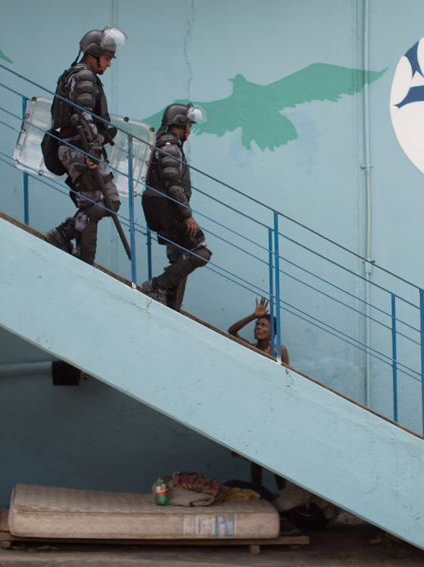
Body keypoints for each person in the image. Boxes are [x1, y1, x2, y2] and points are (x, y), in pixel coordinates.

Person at [43, 27, 127, 265]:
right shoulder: (83, 76)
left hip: (84, 147)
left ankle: (68, 240)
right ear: (93, 53)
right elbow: (83, 114)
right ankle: (66, 241)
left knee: (111, 201)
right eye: (107, 58)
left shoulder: (81, 76)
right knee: (91, 205)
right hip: (79, 148)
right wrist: (91, 150)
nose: (109, 64)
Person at [140, 103, 211, 310]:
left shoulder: (161, 144)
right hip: (169, 210)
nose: (190, 128)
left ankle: (169, 303)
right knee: (200, 252)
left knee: (180, 257)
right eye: (189, 123)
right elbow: (173, 184)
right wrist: (187, 215)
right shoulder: (170, 146)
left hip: (159, 207)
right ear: (180, 123)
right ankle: (155, 286)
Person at [228, 297, 289, 490]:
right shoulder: (251, 348)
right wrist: (254, 315)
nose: (257, 328)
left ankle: (282, 493)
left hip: (274, 408)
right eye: (256, 325)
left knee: (275, 456)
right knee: (256, 456)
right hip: (254, 406)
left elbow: (287, 380)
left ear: (272, 331)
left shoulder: (280, 351)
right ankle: (258, 492)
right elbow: (232, 331)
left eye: (262, 325)